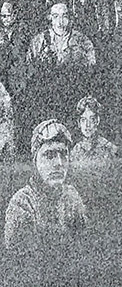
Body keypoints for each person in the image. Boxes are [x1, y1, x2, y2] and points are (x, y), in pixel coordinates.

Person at [5, 120, 87, 286]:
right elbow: (25, 271)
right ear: (35, 161)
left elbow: (83, 256)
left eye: (63, 154)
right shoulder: (22, 203)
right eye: (49, 155)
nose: (58, 163)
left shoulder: (72, 197)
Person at [71, 95, 118, 163]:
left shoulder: (109, 148)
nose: (87, 125)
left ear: (97, 121)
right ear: (79, 123)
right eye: (83, 120)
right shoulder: (75, 151)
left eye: (92, 119)